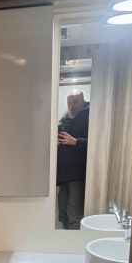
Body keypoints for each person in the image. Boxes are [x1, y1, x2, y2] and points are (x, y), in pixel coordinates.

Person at [57, 89, 89, 229]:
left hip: (78, 174)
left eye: (75, 102)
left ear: (83, 101)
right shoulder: (66, 119)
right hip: (64, 174)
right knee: (63, 213)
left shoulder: (90, 116)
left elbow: (98, 145)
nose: (71, 106)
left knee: (73, 213)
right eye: (69, 102)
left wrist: (76, 142)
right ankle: (66, 239)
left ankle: (74, 241)